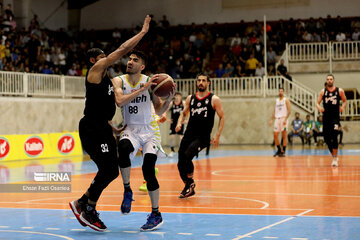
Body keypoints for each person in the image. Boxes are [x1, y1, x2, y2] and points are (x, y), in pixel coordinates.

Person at [69, 16, 151, 232]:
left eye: (106, 58)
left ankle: (81, 202)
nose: (106, 60)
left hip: (103, 127)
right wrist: (142, 33)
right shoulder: (95, 72)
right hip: (91, 128)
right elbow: (123, 49)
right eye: (102, 58)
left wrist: (113, 127)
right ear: (93, 61)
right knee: (107, 168)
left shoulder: (107, 79)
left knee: (112, 171)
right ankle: (88, 209)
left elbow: (104, 106)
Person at [112, 50, 175, 231]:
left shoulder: (150, 82)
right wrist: (142, 89)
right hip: (130, 129)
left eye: (135, 60)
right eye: (129, 59)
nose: (130, 62)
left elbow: (159, 111)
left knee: (148, 169)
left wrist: (169, 99)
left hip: (149, 131)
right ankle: (127, 189)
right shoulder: (119, 80)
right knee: (123, 148)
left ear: (142, 66)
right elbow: (120, 101)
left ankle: (156, 214)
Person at [175, 73, 225, 198]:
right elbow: (183, 112)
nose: (201, 82)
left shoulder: (214, 99)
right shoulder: (190, 98)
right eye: (199, 80)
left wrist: (217, 135)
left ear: (208, 83)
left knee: (187, 156)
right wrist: (179, 123)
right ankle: (189, 185)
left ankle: (190, 183)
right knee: (180, 162)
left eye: (203, 80)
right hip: (189, 134)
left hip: (202, 137)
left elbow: (222, 117)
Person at [316, 74, 347, 167]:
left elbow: (345, 101)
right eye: (328, 79)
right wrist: (319, 108)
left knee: (334, 135)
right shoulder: (323, 91)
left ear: (333, 80)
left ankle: (334, 158)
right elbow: (317, 103)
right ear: (326, 81)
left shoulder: (339, 91)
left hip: (335, 117)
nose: (329, 81)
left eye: (331, 79)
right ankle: (334, 155)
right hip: (326, 117)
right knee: (326, 138)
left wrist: (342, 107)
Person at [269, 87, 291, 157]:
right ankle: (279, 150)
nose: (280, 92)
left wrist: (285, 119)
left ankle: (283, 151)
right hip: (277, 119)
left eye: (281, 91)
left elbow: (289, 111)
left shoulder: (286, 100)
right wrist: (271, 119)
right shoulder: (277, 100)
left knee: (284, 135)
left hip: (283, 119)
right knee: (275, 135)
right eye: (279, 91)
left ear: (283, 92)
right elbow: (275, 111)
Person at [168, 92, 185, 157]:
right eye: (176, 96)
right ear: (174, 97)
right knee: (171, 137)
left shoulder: (183, 103)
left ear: (180, 97)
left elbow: (187, 110)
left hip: (180, 122)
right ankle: (172, 151)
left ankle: (181, 151)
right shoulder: (172, 103)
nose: (177, 97)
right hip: (173, 122)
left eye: (178, 96)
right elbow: (166, 110)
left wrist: (186, 119)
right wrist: (167, 119)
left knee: (181, 138)